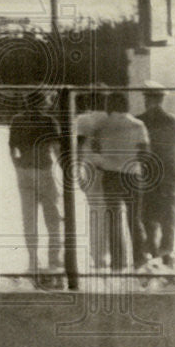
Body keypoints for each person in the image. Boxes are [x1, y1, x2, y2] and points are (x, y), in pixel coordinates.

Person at [92, 92, 149, 270]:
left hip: (110, 175)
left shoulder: (101, 126)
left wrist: (106, 163)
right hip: (132, 174)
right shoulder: (138, 125)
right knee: (135, 218)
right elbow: (145, 151)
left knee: (114, 219)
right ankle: (139, 259)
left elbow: (96, 151)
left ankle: (117, 262)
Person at [9, 92, 63, 273]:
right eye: (47, 99)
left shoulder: (17, 120)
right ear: (41, 102)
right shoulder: (49, 121)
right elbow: (56, 148)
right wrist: (64, 168)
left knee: (29, 217)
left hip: (24, 170)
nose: (49, 102)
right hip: (44, 170)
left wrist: (17, 166)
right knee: (53, 216)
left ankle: (33, 260)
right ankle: (54, 258)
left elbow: (13, 147)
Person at [136, 81, 175, 265]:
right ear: (162, 99)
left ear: (148, 99)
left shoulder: (139, 121)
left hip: (148, 167)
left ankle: (152, 248)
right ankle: (167, 250)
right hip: (169, 168)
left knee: (148, 207)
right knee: (169, 208)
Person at [75, 87, 109, 268]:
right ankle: (107, 253)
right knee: (109, 211)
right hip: (109, 167)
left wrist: (76, 170)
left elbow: (79, 146)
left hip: (89, 166)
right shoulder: (111, 119)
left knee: (95, 211)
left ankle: (97, 255)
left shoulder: (83, 120)